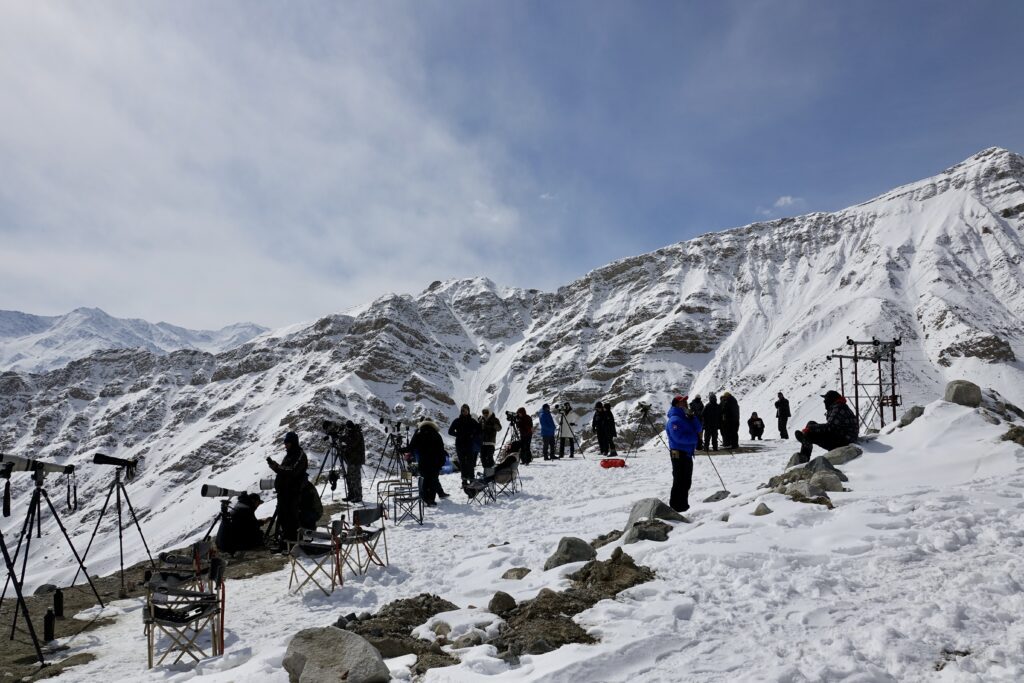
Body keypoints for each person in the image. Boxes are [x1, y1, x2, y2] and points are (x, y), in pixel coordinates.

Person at [267, 431, 308, 546]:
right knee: (283, 516)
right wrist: (275, 466)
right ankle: (286, 540)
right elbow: (284, 470)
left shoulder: (300, 454)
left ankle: (295, 542)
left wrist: (277, 467)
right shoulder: (289, 454)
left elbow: (292, 471)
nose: (285, 445)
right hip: (284, 491)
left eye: (287, 443)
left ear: (293, 442)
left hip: (293, 491)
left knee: (292, 517)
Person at [794, 390, 859, 463]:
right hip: (843, 436)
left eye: (826, 399)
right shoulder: (838, 406)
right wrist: (811, 427)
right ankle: (806, 445)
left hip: (845, 440)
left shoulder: (838, 407)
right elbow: (832, 426)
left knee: (810, 433)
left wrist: (810, 428)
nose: (824, 401)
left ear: (831, 400)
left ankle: (805, 452)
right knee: (811, 424)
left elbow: (830, 427)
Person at [665, 395, 702, 512]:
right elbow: (678, 438)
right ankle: (676, 507)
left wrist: (693, 417)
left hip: (686, 453)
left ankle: (683, 506)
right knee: (679, 480)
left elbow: (699, 428)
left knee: (686, 481)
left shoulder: (685, 417)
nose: (686, 403)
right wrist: (696, 439)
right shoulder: (674, 420)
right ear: (676, 404)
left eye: (686, 401)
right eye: (683, 402)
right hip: (678, 453)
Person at [405, 420, 447, 506]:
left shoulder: (419, 434)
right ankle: (431, 499)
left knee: (425, 480)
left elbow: (411, 447)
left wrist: (401, 450)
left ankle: (425, 498)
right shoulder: (437, 435)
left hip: (423, 461)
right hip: (435, 462)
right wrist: (442, 462)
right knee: (433, 480)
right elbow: (441, 450)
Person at [448, 404, 483, 483]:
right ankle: (464, 480)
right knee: (463, 463)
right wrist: (458, 435)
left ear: (468, 411)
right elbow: (450, 431)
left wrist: (473, 434)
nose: (464, 412)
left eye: (466, 410)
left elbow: (479, 430)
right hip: (460, 445)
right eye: (463, 410)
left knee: (470, 463)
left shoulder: (472, 421)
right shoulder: (457, 420)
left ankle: (471, 479)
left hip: (469, 445)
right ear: (461, 411)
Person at [342, 420, 365, 503]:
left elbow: (352, 443)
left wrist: (344, 440)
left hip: (356, 460)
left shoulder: (357, 433)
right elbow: (348, 440)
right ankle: (351, 495)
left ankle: (358, 496)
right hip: (351, 460)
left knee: (356, 479)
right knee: (349, 477)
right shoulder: (351, 432)